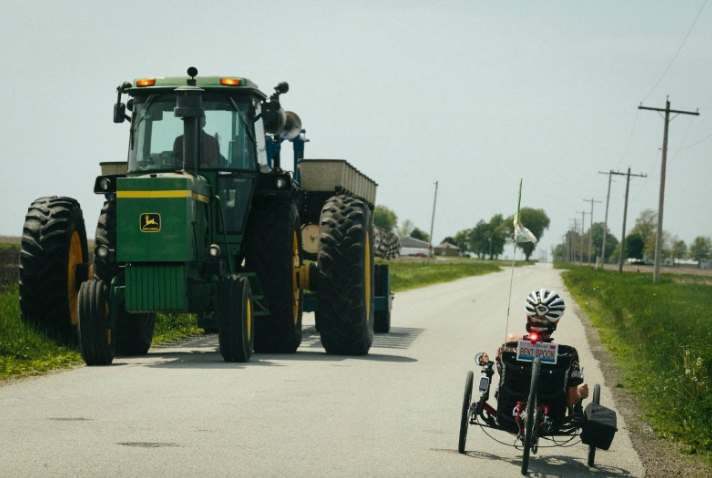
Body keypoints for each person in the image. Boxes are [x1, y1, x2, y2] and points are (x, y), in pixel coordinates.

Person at [496, 288, 589, 408]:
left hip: (509, 408)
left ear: (528, 317)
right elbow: (571, 400)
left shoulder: (511, 344)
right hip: (551, 416)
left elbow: (501, 372)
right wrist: (580, 393)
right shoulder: (568, 354)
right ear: (556, 321)